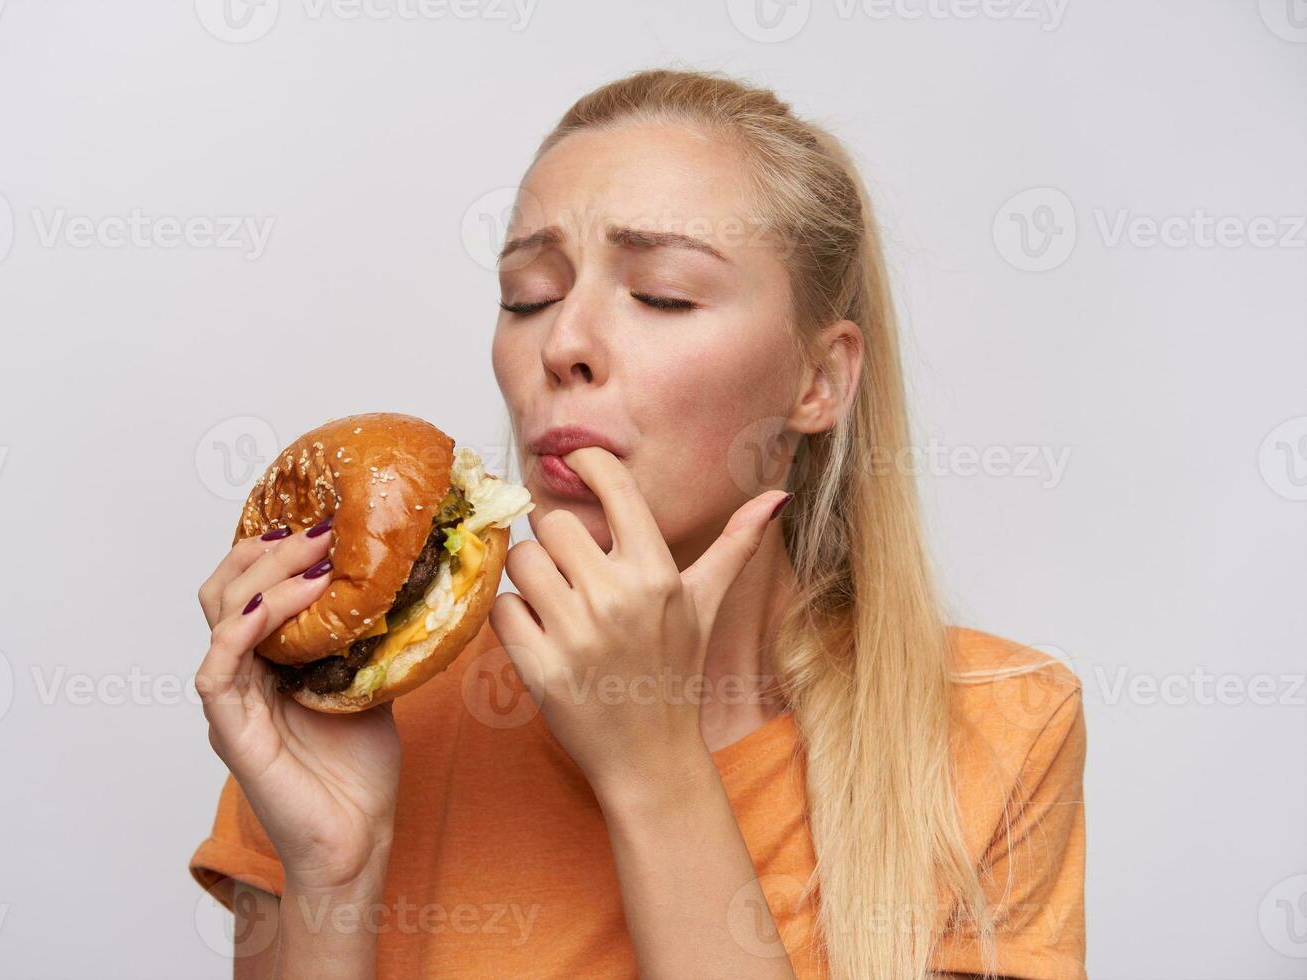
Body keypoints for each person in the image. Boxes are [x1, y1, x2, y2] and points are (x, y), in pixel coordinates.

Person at [190, 67, 1086, 980]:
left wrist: (654, 773)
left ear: (819, 381)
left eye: (660, 294)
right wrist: (333, 881)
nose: (562, 344)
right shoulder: (361, 719)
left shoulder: (996, 724)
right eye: (527, 296)